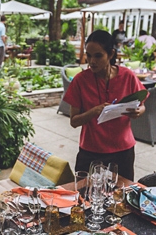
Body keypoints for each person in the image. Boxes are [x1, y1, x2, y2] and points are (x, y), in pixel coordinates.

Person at [63, 30, 147, 181]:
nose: (92, 61)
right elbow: (74, 121)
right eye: (88, 55)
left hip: (123, 151)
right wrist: (94, 111)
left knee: (121, 198)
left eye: (98, 55)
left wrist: (138, 112)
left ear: (111, 54)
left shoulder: (127, 76)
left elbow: (142, 106)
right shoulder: (80, 80)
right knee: (84, 197)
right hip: (91, 151)